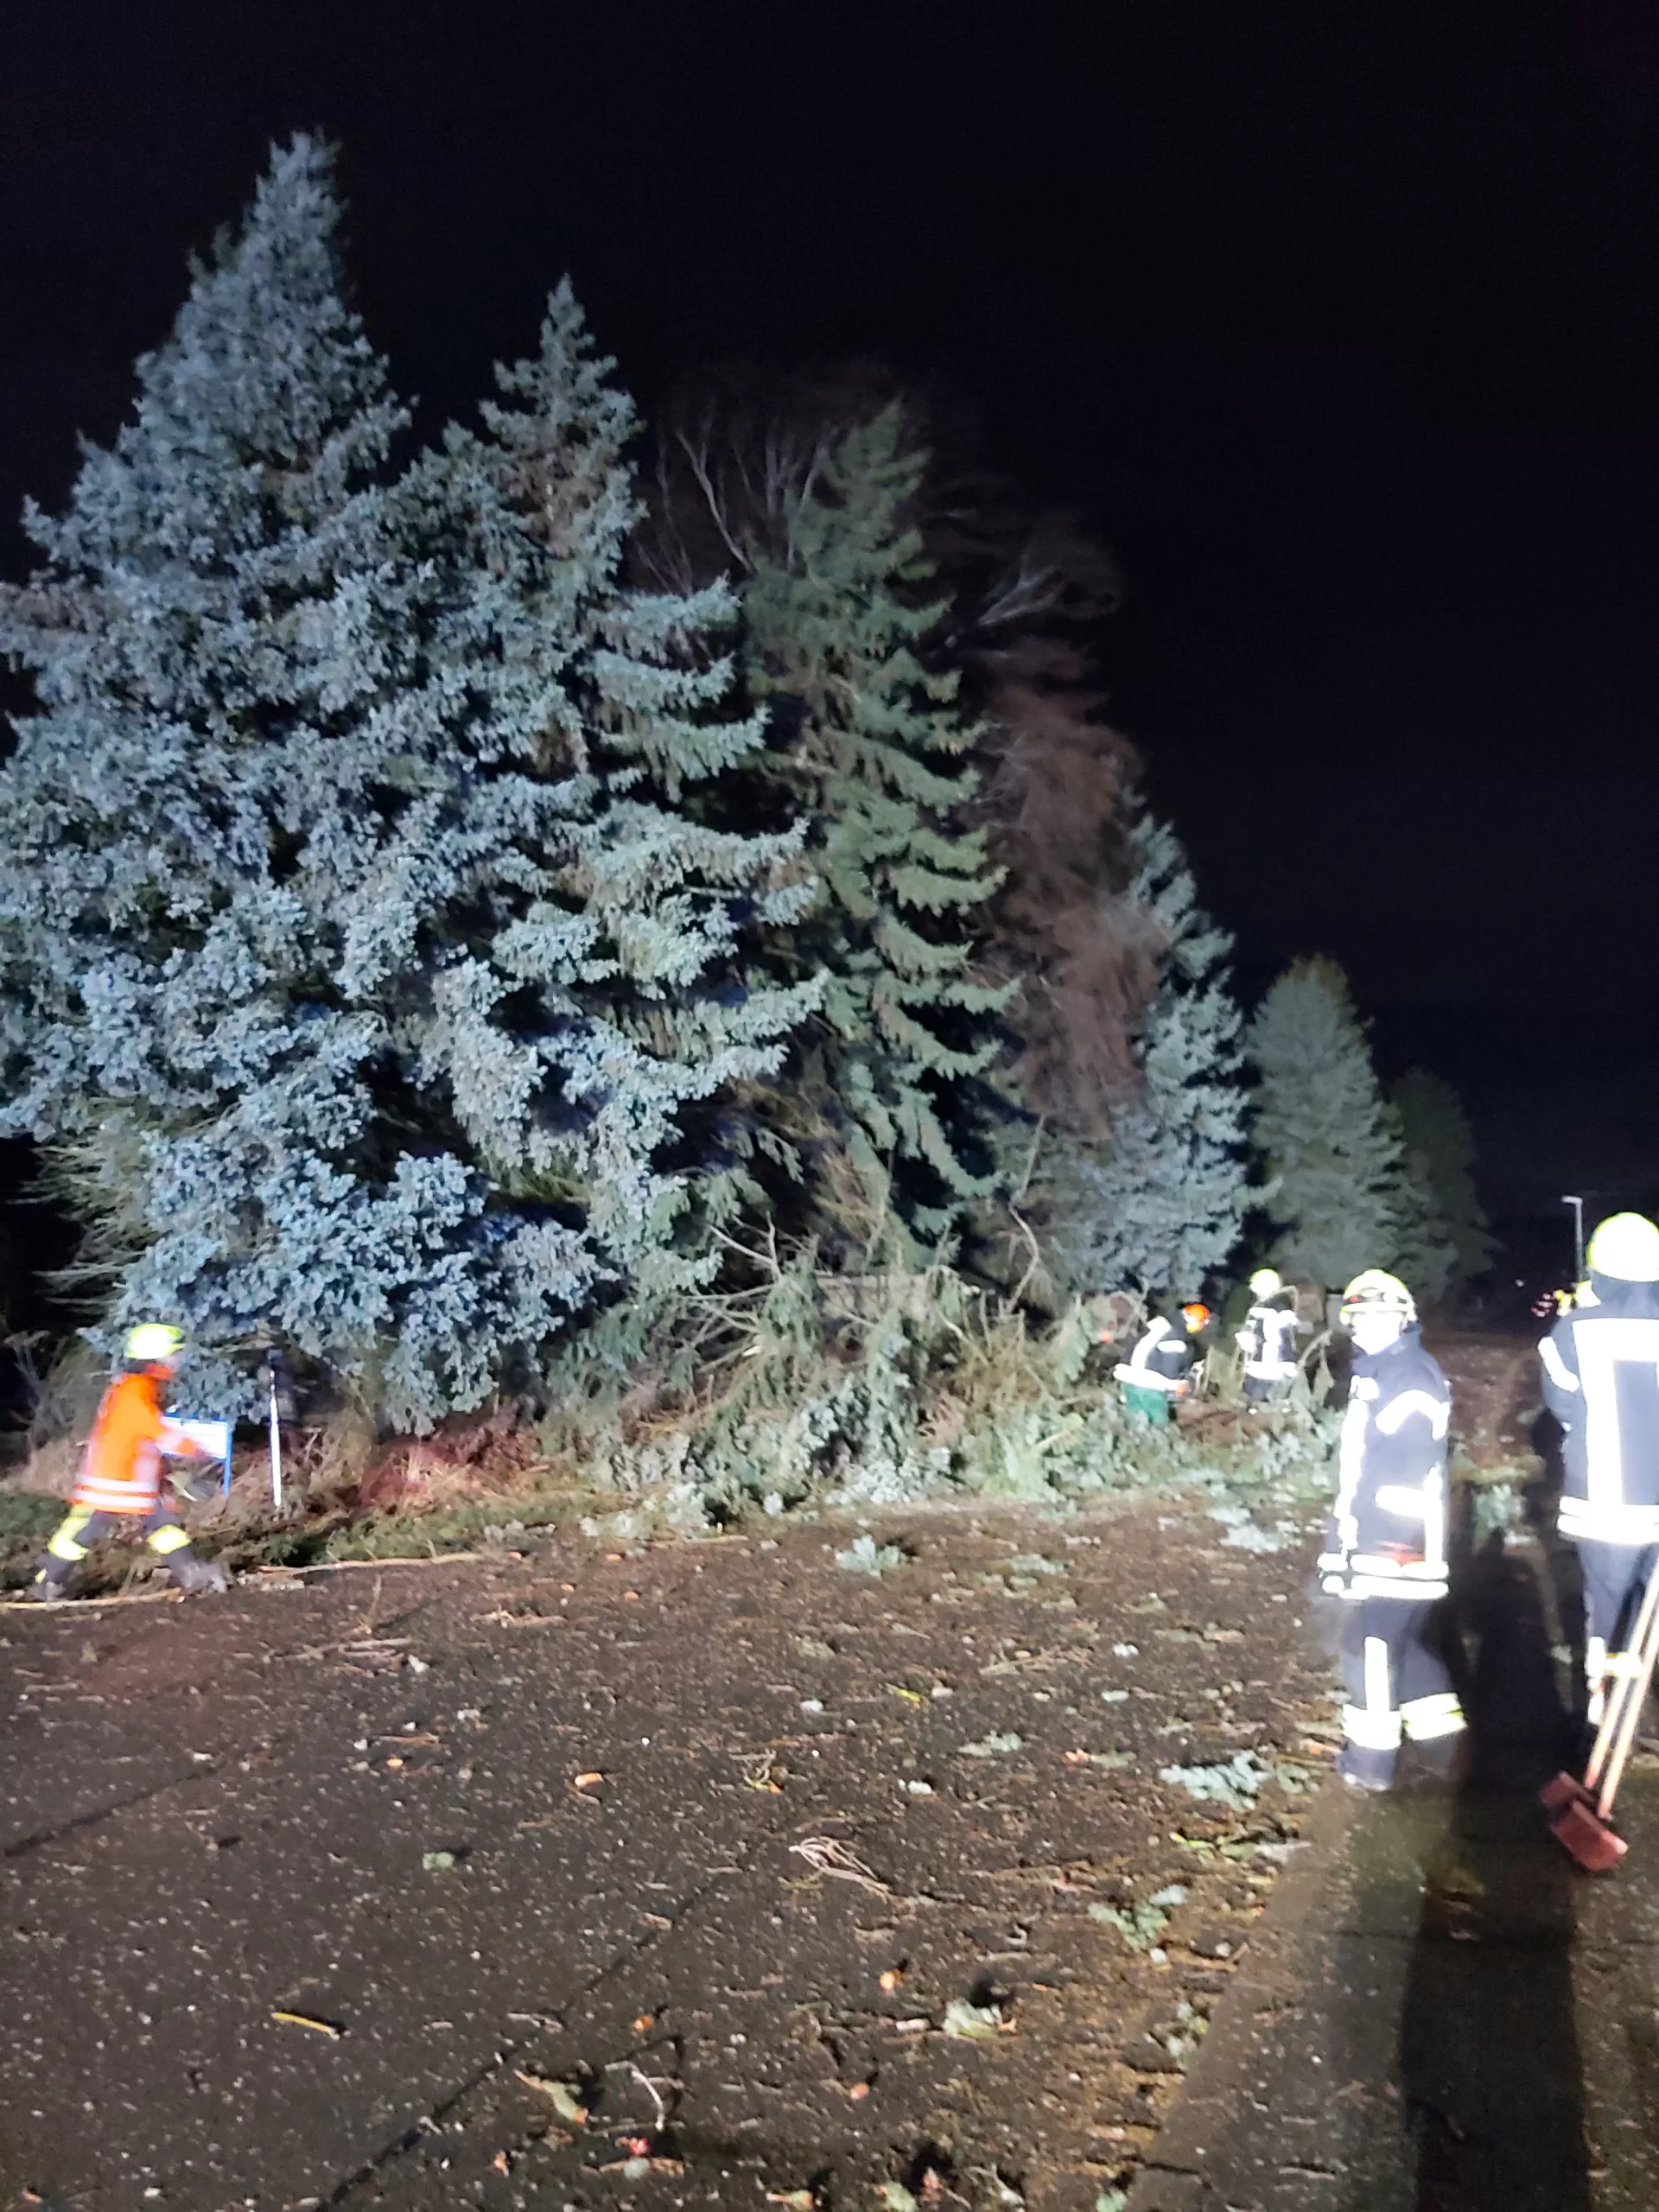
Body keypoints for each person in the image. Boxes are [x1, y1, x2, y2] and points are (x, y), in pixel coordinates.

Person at [1318, 1270, 1465, 1790]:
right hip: (1383, 1533)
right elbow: (1360, 1467)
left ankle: (1372, 1763)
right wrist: (1341, 1541)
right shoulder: (1377, 1373)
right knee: (1403, 1642)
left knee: (1369, 1645)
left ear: (1405, 1319)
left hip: (1399, 1538)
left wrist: (1370, 1541)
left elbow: (1402, 1463)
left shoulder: (1410, 1375)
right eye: (1359, 1317)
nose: (1366, 1326)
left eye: (1380, 1316)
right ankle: (1445, 1742)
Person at [1538, 1211, 1659, 1725]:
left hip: (1606, 1505)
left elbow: (1561, 1406)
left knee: (1605, 1606)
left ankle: (1602, 1711)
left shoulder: (1572, 1331)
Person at [29, 1324, 228, 1601]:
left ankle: (191, 1573)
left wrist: (165, 1470)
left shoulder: (137, 1385)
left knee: (157, 1523)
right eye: (175, 1353)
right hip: (118, 1476)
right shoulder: (138, 1388)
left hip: (124, 1474)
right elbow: (149, 1427)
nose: (179, 1359)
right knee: (89, 1529)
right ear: (157, 1356)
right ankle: (48, 1581)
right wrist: (192, 1449)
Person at [1120, 1302, 1210, 1426]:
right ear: (1193, 1321)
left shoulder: (1161, 1322)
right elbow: (1170, 1368)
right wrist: (1178, 1386)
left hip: (1128, 1377)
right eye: (1200, 1325)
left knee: (1133, 1420)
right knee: (1157, 1424)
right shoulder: (1176, 1337)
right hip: (1149, 1384)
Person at [1235, 1266, 1300, 1407]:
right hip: (1259, 1363)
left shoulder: (1281, 1309)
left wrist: (1288, 1362)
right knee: (1253, 1401)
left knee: (1266, 1404)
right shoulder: (1261, 1308)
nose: (1256, 1292)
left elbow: (1286, 1336)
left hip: (1272, 1366)